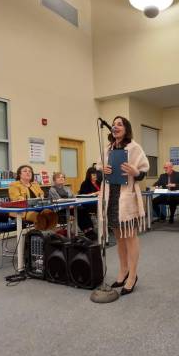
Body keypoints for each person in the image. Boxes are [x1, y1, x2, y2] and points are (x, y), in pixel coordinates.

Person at [99, 116, 149, 295]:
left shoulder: (134, 147)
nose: (115, 126)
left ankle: (133, 275)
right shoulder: (107, 149)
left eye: (120, 124)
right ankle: (123, 270)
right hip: (110, 197)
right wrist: (102, 171)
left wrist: (136, 172)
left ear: (126, 129)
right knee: (119, 236)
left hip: (126, 197)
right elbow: (99, 171)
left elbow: (143, 171)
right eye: (114, 124)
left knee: (130, 236)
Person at [48, 172, 97, 240]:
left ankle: (90, 229)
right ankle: (86, 231)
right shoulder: (52, 189)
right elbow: (58, 200)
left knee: (83, 209)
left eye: (62, 177)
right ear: (54, 180)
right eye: (59, 177)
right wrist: (70, 204)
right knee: (79, 211)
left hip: (71, 207)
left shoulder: (67, 188)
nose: (61, 178)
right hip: (60, 209)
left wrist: (73, 204)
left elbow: (73, 197)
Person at [9, 165, 58, 230]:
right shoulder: (14, 185)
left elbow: (41, 194)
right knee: (40, 217)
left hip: (39, 208)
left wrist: (41, 196)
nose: (28, 172)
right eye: (25, 171)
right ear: (19, 174)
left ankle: (49, 235)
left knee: (51, 214)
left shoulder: (35, 184)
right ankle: (40, 236)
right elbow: (16, 198)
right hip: (23, 211)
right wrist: (30, 201)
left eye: (30, 171)